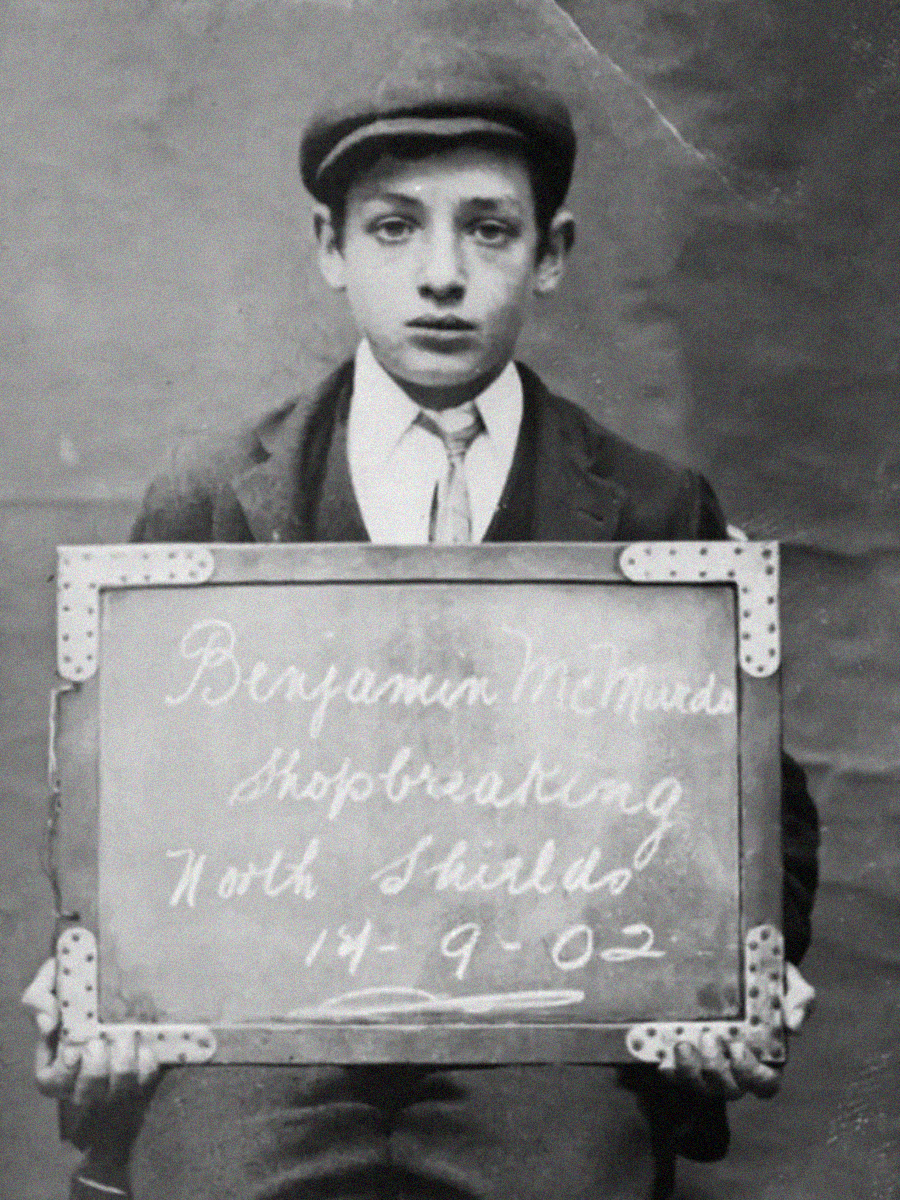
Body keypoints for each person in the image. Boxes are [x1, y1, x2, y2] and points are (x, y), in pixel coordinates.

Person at [23, 42, 819, 1200]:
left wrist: (726, 983)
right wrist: (113, 973)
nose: (442, 274)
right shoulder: (212, 499)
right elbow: (126, 811)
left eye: (489, 230)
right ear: (329, 250)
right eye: (395, 228)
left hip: (540, 1045)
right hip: (266, 1050)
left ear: (550, 256)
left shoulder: (649, 506)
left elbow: (753, 819)